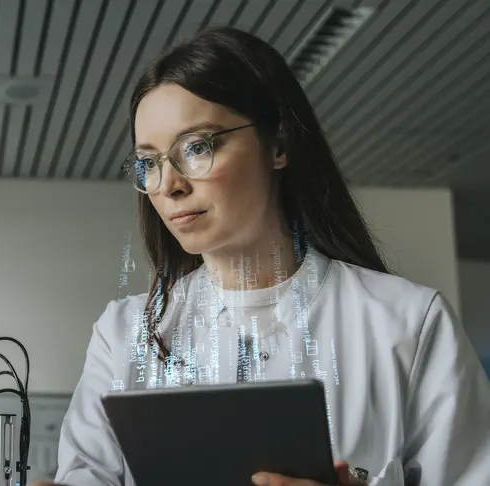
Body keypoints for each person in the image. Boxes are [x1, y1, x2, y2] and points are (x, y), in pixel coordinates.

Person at [31, 27, 490, 486]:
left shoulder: (407, 324)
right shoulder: (125, 336)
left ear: (279, 145)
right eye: (148, 162)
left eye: (197, 147)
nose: (169, 185)